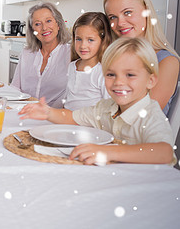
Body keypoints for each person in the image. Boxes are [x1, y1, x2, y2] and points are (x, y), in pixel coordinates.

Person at [19, 37, 174, 165]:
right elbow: (73, 118)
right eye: (111, 74)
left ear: (151, 81)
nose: (118, 82)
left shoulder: (150, 114)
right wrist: (48, 112)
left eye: (130, 75)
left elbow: (164, 152)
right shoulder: (106, 108)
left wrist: (108, 152)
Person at [103, 0, 180, 115]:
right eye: (113, 17)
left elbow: (141, 114)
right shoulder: (116, 58)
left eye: (127, 12)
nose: (120, 23)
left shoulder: (167, 62)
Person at [10, 2, 71, 108]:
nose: (44, 28)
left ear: (58, 24)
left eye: (48, 21)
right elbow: (15, 87)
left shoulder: (71, 54)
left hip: (55, 117)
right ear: (32, 29)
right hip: (24, 112)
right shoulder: (27, 53)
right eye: (37, 24)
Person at [64, 12, 115, 110]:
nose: (83, 45)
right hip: (68, 121)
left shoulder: (103, 71)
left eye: (90, 40)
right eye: (78, 39)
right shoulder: (72, 66)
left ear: (103, 41)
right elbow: (68, 101)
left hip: (89, 124)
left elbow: (109, 107)